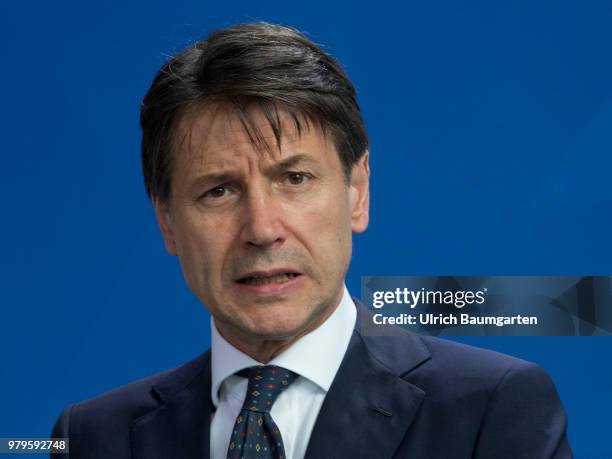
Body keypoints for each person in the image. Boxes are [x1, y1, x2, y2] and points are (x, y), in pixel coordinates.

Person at [52, 22, 573, 458]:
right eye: (218, 190)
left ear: (357, 191)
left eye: (294, 179)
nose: (261, 229)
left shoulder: (492, 408)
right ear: (166, 219)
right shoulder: (90, 438)